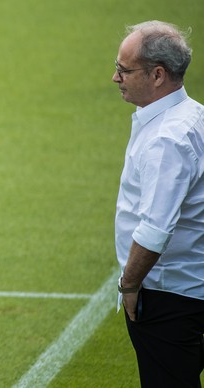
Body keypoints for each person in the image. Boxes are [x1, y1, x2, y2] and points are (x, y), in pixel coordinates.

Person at [113, 20, 204, 387]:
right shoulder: (193, 115)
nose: (115, 78)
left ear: (157, 75)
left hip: (169, 296)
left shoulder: (166, 139)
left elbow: (154, 229)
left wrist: (129, 285)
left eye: (124, 70)